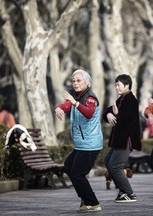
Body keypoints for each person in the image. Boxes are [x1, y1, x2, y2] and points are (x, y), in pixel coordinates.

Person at [54, 69, 103, 212]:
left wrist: (74, 102)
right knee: (69, 166)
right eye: (73, 81)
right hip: (82, 145)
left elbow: (89, 113)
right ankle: (85, 200)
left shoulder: (90, 98)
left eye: (78, 80)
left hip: (90, 145)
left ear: (87, 82)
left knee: (77, 174)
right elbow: (65, 106)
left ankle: (93, 203)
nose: (75, 83)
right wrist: (58, 108)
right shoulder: (78, 97)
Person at [102, 74, 142, 203]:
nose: (117, 88)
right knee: (108, 161)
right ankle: (122, 191)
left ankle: (129, 193)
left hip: (126, 140)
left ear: (127, 85)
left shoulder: (131, 100)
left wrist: (116, 113)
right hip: (118, 140)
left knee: (115, 166)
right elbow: (107, 111)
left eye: (118, 85)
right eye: (116, 85)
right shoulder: (121, 99)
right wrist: (108, 114)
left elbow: (127, 121)